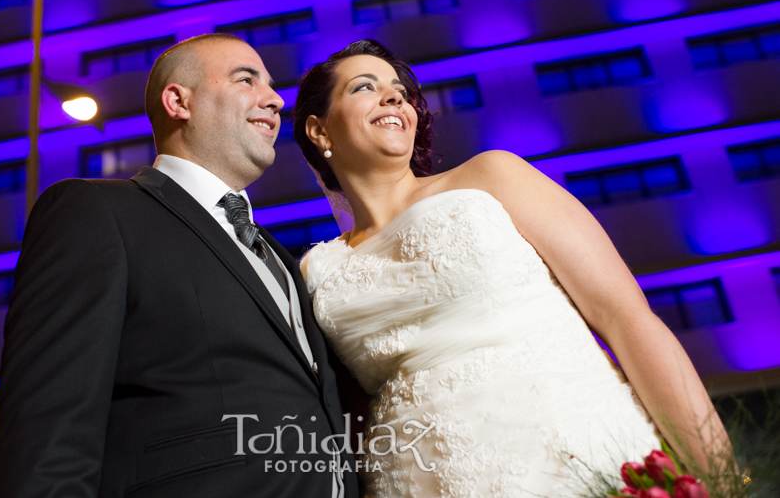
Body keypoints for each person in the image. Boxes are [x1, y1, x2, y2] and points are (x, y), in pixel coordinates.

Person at [292, 39, 730, 498]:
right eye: (365, 87)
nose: (394, 97)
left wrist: (719, 480)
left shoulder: (491, 177)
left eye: (399, 90)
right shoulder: (315, 272)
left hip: (577, 459)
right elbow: (345, 416)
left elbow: (626, 319)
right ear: (320, 132)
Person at [0, 34, 359, 498]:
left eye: (270, 85)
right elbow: (47, 431)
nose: (276, 99)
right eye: (247, 79)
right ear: (178, 101)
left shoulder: (282, 260)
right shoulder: (97, 213)